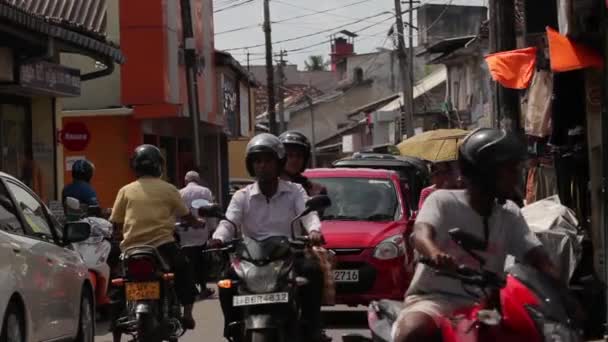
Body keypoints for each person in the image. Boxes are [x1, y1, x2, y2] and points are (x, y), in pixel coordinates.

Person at [392, 128, 560, 342]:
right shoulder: (443, 201)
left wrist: (563, 294)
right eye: (509, 170)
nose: (516, 176)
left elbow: (537, 257)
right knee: (413, 331)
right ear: (485, 173)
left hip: (486, 306)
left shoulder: (509, 212)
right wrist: (434, 253)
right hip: (436, 300)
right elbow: (421, 233)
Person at [208, 133, 327, 341]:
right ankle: (232, 325)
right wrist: (218, 238)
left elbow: (309, 216)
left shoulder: (295, 191)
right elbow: (229, 222)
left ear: (279, 162)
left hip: (287, 255)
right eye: (257, 161)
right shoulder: (241, 196)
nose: (262, 165)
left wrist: (315, 231)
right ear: (251, 165)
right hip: (249, 259)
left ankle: (311, 325)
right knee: (225, 281)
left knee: (313, 271)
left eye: (268, 160)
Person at [108, 144, 203, 340]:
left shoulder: (125, 190)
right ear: (159, 166)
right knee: (184, 269)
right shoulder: (169, 189)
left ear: (134, 166)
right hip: (162, 246)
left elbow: (116, 221)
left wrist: (119, 235)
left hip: (132, 248)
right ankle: (187, 314)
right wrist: (197, 223)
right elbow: (186, 216)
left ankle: (115, 324)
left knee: (118, 281)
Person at [178, 170, 215, 299]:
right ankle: (203, 287)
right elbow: (210, 211)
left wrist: (176, 228)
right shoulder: (206, 191)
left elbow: (177, 213)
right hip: (202, 231)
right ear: (197, 180)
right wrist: (212, 229)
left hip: (186, 232)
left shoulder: (180, 193)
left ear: (186, 181)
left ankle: (191, 288)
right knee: (202, 261)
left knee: (189, 262)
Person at [278, 130, 326, 196]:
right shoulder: (270, 188)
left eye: (299, 156)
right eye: (290, 155)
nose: (295, 160)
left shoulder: (315, 190)